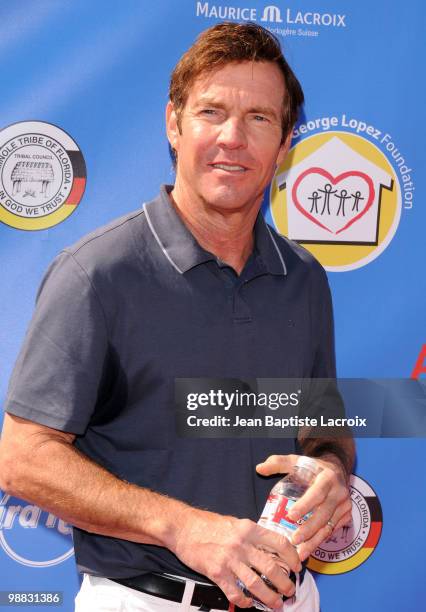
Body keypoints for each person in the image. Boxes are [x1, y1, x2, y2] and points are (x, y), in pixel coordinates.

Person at [0, 22, 354, 612]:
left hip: (288, 598)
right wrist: (183, 527)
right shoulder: (97, 273)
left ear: (287, 140)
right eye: (211, 112)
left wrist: (330, 471)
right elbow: (21, 459)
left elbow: (322, 426)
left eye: (259, 119)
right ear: (174, 123)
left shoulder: (305, 280)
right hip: (144, 600)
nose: (233, 138)